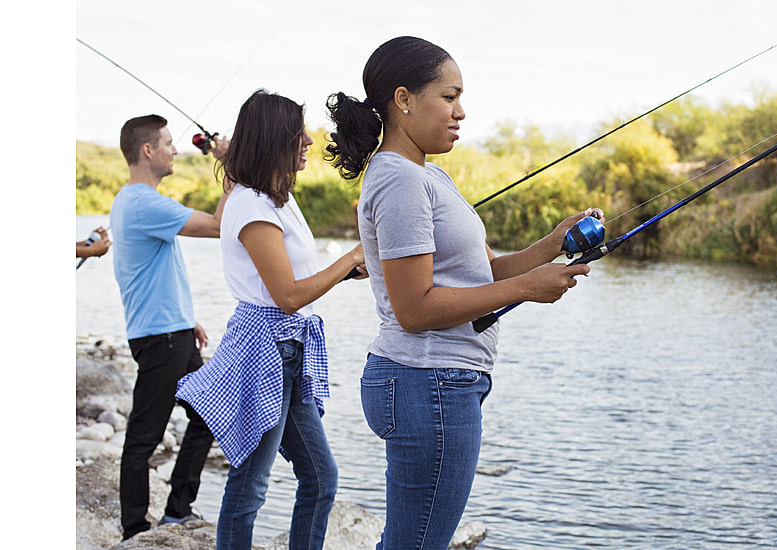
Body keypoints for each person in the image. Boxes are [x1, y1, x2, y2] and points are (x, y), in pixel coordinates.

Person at [324, 36, 601, 549]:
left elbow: (483, 271)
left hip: (433, 382)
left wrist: (552, 245)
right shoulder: (400, 180)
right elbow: (414, 308)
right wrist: (526, 289)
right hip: (428, 382)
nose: (461, 112)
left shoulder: (427, 175)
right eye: (449, 97)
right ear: (404, 100)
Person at [175, 90, 366, 550]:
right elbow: (285, 296)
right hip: (267, 351)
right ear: (273, 139)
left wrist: (344, 272)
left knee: (321, 478)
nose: (308, 140)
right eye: (297, 132)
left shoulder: (275, 197)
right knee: (250, 485)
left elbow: (297, 281)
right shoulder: (250, 205)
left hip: (290, 348)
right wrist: (349, 259)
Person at [109, 114, 229, 540]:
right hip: (161, 339)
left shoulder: (132, 202)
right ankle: (135, 529)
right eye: (167, 143)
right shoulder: (144, 203)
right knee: (144, 435)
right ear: (147, 151)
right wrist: (230, 165)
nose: (174, 149)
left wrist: (185, 318)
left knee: (208, 416)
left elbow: (149, 273)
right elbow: (218, 227)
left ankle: (177, 510)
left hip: (171, 331)